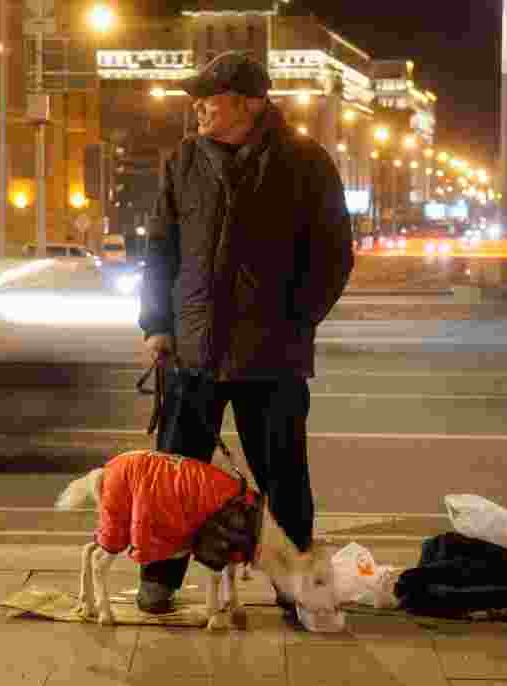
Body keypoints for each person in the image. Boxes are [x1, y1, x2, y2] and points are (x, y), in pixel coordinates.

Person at [136, 50, 355, 623]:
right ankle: (158, 577)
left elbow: (333, 255)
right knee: (176, 476)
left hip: (272, 355)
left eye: (210, 96)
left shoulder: (306, 162)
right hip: (192, 350)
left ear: (249, 103)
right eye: (198, 97)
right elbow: (159, 252)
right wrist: (156, 325)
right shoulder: (183, 161)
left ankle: (293, 587)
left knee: (284, 479)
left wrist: (296, 318)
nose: (199, 106)